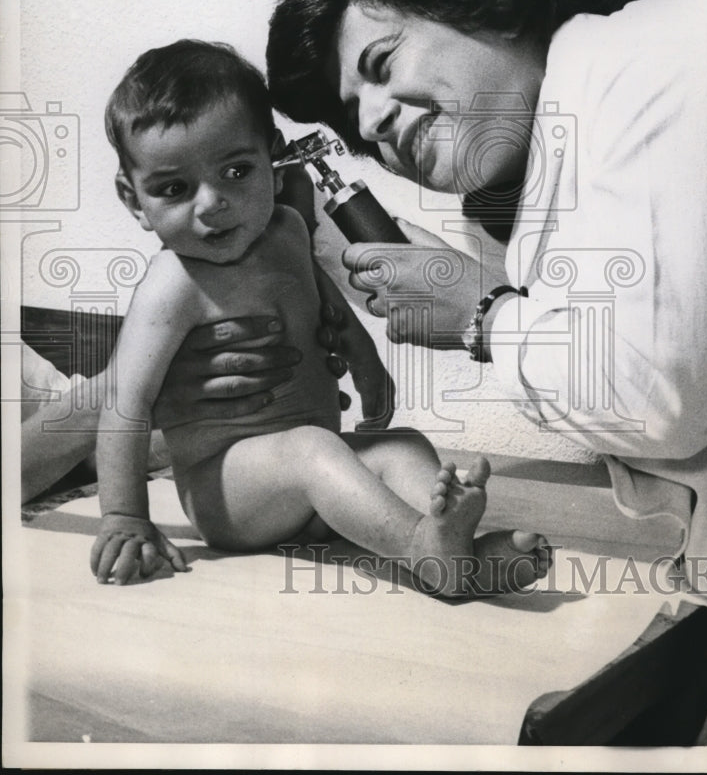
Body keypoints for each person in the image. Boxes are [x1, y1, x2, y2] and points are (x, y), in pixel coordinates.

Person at [262, 0, 707, 608]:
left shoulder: (652, 53)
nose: (370, 123)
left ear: (491, 3)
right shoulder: (528, 188)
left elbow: (666, 403)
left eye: (382, 64)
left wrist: (481, 312)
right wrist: (485, 296)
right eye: (355, 119)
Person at [89, 38, 551, 596]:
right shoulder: (173, 285)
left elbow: (325, 304)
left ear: (275, 159)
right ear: (135, 200)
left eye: (236, 171)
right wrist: (125, 517)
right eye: (174, 188)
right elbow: (125, 400)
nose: (212, 203)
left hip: (308, 479)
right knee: (314, 448)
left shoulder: (286, 229)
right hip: (229, 492)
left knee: (402, 445)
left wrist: (368, 363)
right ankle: (422, 549)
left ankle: (455, 552)